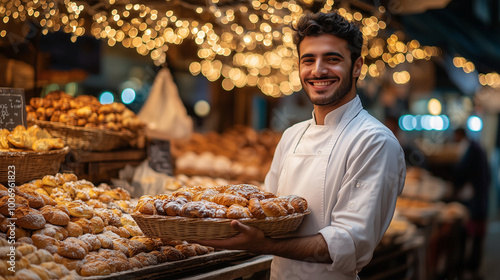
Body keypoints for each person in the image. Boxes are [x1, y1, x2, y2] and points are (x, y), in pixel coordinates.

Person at [197, 11, 406, 280]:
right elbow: (266, 213)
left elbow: (349, 244)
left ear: (357, 66)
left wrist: (263, 245)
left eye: (332, 59)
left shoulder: (374, 141)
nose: (318, 70)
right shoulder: (292, 136)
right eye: (308, 60)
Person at [452, 127, 490, 279]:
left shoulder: (471, 150)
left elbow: (463, 172)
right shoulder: (476, 148)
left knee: (469, 235)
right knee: (474, 236)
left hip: (474, 201)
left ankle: (468, 267)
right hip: (478, 200)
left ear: (459, 134)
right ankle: (470, 266)